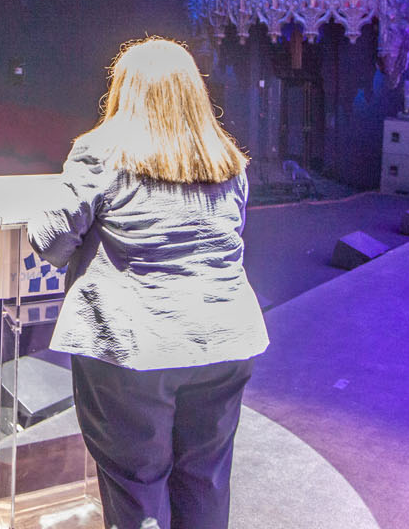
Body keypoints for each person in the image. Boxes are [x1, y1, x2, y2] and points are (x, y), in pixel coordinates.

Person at [27, 38, 268, 529]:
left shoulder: (101, 151)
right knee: (204, 481)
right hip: (224, 342)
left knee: (135, 487)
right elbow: (231, 234)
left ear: (125, 91)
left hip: (134, 350)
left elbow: (51, 241)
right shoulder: (226, 160)